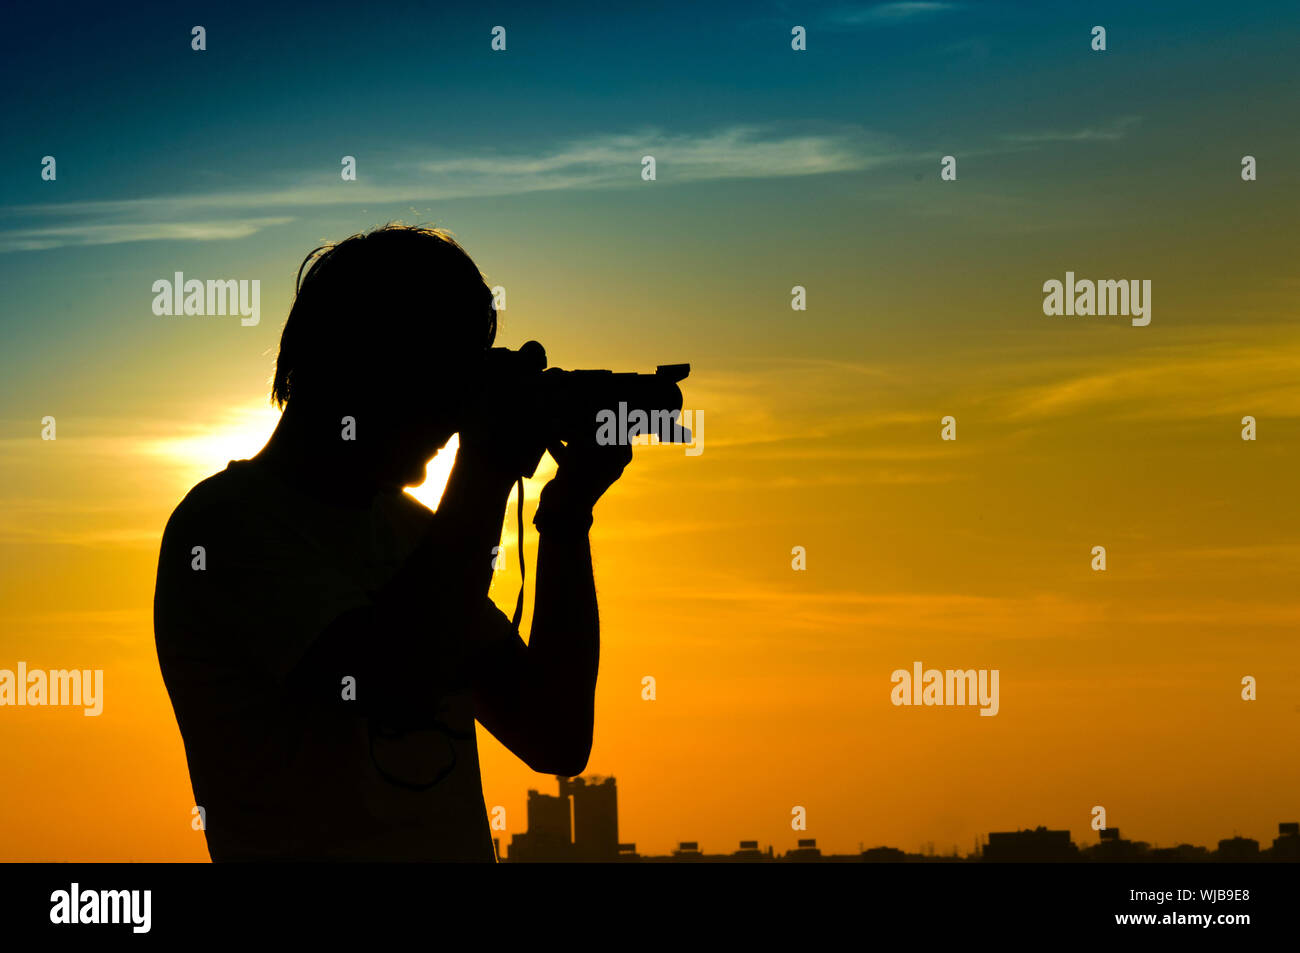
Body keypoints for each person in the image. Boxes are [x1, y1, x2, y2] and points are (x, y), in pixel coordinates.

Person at [153, 224, 630, 861]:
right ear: (361, 369)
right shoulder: (222, 530)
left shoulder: (416, 533)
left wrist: (567, 522)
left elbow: (555, 735)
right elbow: (393, 680)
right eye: (443, 382)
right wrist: (486, 465)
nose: (456, 416)